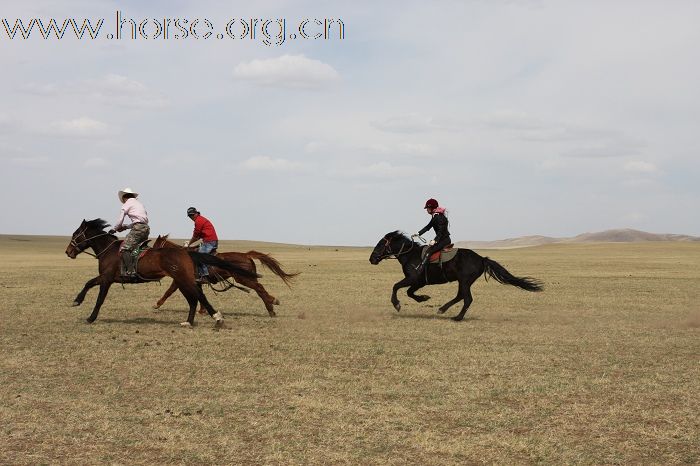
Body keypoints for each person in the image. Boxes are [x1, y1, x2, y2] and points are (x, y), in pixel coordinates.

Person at [108, 187, 149, 278]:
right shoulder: (139, 204)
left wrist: (115, 229)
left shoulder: (127, 204)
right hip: (146, 229)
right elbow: (140, 221)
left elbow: (120, 219)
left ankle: (131, 271)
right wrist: (125, 227)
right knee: (137, 249)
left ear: (124, 197)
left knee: (124, 248)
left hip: (137, 229)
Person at [413, 198, 451, 274]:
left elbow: (441, 231)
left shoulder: (439, 217)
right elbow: (428, 227)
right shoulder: (435, 216)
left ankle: (421, 269)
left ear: (432, 208)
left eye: (427, 208)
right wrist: (418, 233)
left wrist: (435, 240)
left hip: (444, 240)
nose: (426, 210)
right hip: (441, 239)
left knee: (429, 251)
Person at [184, 207, 219, 283]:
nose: (191, 217)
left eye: (192, 215)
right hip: (210, 241)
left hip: (209, 242)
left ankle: (205, 277)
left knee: (199, 257)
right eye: (189, 216)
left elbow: (195, 236)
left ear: (196, 213)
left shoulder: (198, 221)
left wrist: (189, 245)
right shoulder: (200, 219)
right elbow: (198, 235)